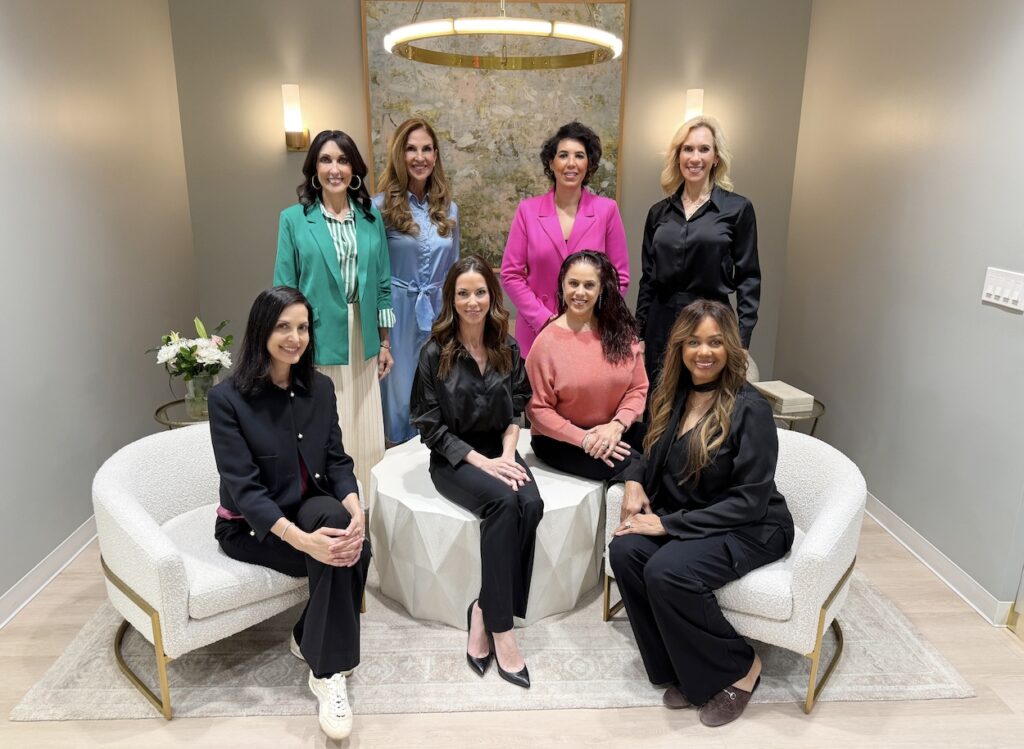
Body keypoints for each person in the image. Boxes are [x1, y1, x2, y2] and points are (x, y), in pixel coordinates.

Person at [608, 299, 794, 728]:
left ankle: (741, 666)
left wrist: (667, 524)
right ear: (680, 347)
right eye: (693, 342)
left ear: (731, 347)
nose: (703, 352)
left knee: (667, 571)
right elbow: (645, 449)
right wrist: (635, 479)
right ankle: (680, 665)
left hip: (751, 525)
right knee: (626, 552)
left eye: (714, 342)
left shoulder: (751, 409)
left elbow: (749, 500)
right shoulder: (672, 394)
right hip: (694, 514)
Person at [208, 286, 371, 741]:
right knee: (337, 554)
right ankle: (328, 670)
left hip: (306, 507)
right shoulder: (228, 400)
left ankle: (307, 635)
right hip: (250, 527)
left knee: (354, 540)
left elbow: (337, 461)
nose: (294, 337)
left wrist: (356, 509)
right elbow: (243, 490)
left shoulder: (319, 388)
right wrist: (304, 541)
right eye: (283, 327)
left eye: (302, 327)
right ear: (262, 329)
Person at [410, 255, 542, 689]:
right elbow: (429, 426)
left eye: (480, 292)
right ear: (452, 298)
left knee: (532, 503)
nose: (472, 301)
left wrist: (506, 455)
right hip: (454, 458)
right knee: (504, 502)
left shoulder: (507, 347)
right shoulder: (434, 353)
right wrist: (484, 464)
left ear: (492, 296)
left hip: (498, 449)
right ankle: (501, 630)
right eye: (463, 293)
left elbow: (517, 408)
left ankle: (484, 607)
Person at [274, 129, 394, 492]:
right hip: (317, 337)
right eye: (326, 160)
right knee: (328, 423)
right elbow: (284, 288)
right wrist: (290, 346)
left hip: (365, 337)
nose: (335, 168)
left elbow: (384, 285)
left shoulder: (371, 218)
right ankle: (331, 505)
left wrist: (385, 343)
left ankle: (369, 510)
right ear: (314, 168)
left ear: (354, 168)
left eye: (342, 160)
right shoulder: (294, 219)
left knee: (367, 426)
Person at [635, 116, 760, 391]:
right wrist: (639, 334)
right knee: (659, 403)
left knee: (704, 404)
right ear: (677, 156)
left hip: (711, 322)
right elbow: (648, 279)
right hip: (662, 322)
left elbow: (749, 278)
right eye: (687, 149)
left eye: (704, 149)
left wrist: (742, 338)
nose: (695, 157)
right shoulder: (658, 213)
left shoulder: (737, 209)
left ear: (716, 157)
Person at [501, 121, 630, 356]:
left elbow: (619, 277)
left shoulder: (607, 210)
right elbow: (511, 274)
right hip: (536, 332)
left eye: (579, 156)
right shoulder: (527, 210)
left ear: (588, 164)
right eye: (563, 155)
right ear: (551, 162)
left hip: (589, 332)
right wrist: (544, 319)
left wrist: (592, 315)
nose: (571, 163)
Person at [373, 117, 460, 444]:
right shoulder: (378, 208)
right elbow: (375, 277)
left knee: (438, 393)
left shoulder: (449, 209)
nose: (419, 157)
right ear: (400, 154)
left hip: (439, 315)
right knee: (398, 398)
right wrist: (382, 337)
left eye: (426, 149)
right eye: (411, 149)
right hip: (396, 315)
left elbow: (455, 272)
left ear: (435, 155)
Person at [526, 250, 647, 480]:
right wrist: (585, 439)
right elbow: (537, 409)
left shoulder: (621, 332)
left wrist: (617, 425)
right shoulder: (546, 342)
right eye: (573, 283)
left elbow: (637, 388)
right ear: (562, 285)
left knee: (668, 447)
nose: (579, 292)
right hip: (559, 440)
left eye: (589, 285)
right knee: (635, 464)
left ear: (601, 288)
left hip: (612, 429)